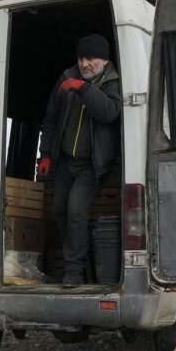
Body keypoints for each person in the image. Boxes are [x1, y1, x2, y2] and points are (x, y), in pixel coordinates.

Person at [37, 34, 122, 287]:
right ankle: (78, 265)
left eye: (92, 59)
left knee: (76, 212)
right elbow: (51, 118)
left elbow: (109, 113)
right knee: (59, 211)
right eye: (81, 58)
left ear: (105, 61)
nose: (85, 64)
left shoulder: (113, 83)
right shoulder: (65, 79)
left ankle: (73, 271)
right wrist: (46, 155)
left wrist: (83, 88)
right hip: (65, 162)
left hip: (91, 165)